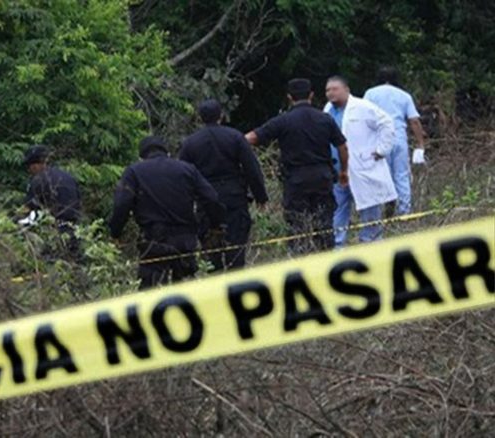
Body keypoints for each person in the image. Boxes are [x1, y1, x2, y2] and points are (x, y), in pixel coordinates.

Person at [246, 78, 349, 254]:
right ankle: (326, 261)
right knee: (324, 225)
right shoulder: (325, 119)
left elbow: (251, 138)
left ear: (289, 97)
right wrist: (344, 171)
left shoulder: (282, 121)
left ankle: (299, 263)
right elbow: (342, 146)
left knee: (297, 228)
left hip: (296, 181)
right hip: (322, 178)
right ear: (311, 95)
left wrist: (227, 143)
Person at [109, 136, 226, 289]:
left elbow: (122, 204)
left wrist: (115, 232)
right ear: (168, 153)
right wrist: (215, 225)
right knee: (186, 290)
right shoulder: (187, 169)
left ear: (141, 157)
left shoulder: (134, 172)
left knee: (152, 292)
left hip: (154, 241)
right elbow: (211, 198)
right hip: (185, 240)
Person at [180, 99, 268, 271]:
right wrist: (260, 196)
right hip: (234, 198)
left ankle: (215, 281)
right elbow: (251, 168)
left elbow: (183, 174)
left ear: (200, 118)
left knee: (210, 249)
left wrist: (185, 204)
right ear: (221, 115)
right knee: (236, 249)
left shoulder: (190, 143)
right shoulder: (235, 137)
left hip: (206, 201)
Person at [324, 76, 397, 247]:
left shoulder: (363, 107)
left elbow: (387, 124)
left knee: (370, 210)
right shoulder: (327, 110)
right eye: (327, 90)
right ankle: (338, 246)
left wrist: (381, 150)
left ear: (346, 90)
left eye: (335, 89)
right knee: (338, 210)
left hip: (363, 167)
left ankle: (371, 244)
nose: (330, 93)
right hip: (337, 170)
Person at [364, 66, 427, 215]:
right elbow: (414, 121)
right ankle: (404, 212)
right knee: (401, 175)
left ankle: (380, 212)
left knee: (380, 176)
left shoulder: (370, 94)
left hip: (378, 139)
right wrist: (420, 144)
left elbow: (364, 117)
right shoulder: (404, 95)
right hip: (399, 138)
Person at [22, 145, 82, 252]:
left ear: (35, 165)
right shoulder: (68, 177)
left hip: (53, 233)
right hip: (74, 231)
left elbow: (28, 210)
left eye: (29, 167)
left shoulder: (38, 181)